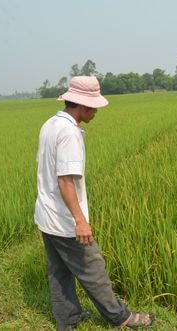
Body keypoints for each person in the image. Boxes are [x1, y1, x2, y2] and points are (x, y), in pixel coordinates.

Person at [34, 76, 154, 330]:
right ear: (82, 106)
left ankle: (68, 318)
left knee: (59, 271)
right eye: (94, 106)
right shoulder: (69, 133)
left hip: (46, 215)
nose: (97, 111)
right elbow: (66, 181)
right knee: (93, 267)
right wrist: (80, 221)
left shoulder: (51, 123)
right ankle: (119, 317)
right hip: (64, 219)